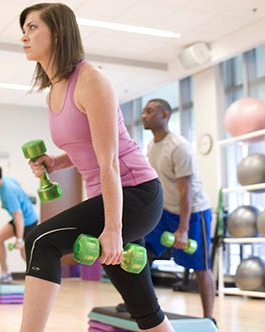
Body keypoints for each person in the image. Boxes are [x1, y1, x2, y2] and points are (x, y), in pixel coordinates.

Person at [18, 3, 174, 332]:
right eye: (24, 28)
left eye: (32, 27)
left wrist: (114, 229)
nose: (24, 36)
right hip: (112, 198)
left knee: (39, 240)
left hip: (136, 195)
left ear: (58, 33)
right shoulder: (53, 91)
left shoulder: (90, 80)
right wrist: (54, 161)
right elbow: (83, 150)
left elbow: (110, 161)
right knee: (144, 309)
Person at [141, 98, 216, 322]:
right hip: (165, 211)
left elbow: (186, 192)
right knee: (142, 252)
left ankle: (209, 319)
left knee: (201, 267)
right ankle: (142, 304)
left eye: (150, 111)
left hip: (194, 213)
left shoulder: (179, 147)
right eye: (144, 111)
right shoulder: (152, 146)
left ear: (165, 115)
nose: (144, 115)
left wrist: (182, 230)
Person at [0, 163, 38, 283]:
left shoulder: (7, 191)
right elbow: (18, 183)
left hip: (28, 221)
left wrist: (19, 240)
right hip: (21, 219)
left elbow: (18, 215)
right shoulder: (5, 181)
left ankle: (40, 276)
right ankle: (5, 272)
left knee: (24, 253)